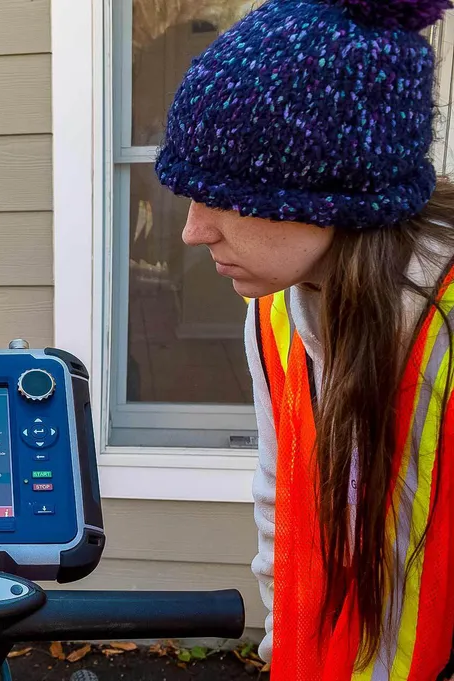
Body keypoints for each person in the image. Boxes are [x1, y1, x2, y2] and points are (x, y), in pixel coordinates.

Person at [155, 0, 454, 677]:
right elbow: (279, 514)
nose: (193, 231)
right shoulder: (275, 312)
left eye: (224, 197)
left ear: (331, 190)